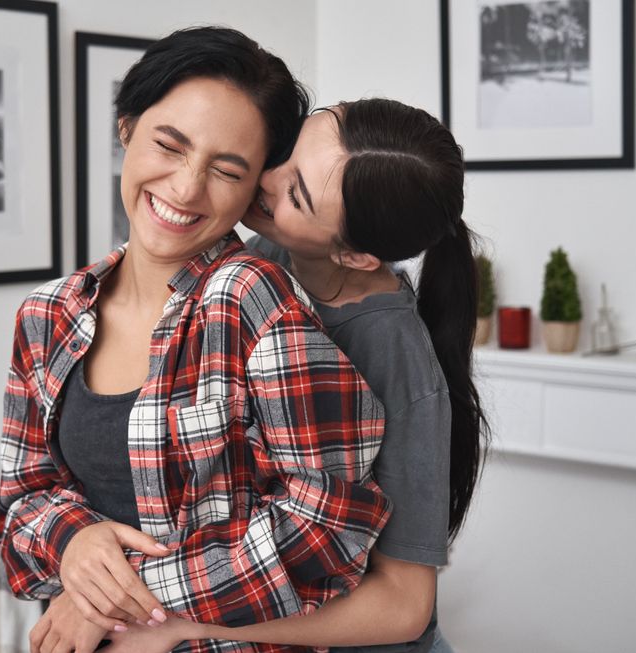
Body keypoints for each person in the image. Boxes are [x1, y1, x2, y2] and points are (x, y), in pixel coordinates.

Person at [0, 27, 394, 653]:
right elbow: (22, 501)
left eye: (226, 171)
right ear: (127, 126)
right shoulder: (47, 314)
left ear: (255, 185)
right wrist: (75, 541)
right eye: (169, 146)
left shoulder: (249, 297)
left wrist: (123, 601)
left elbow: (329, 521)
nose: (185, 189)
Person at [99, 99, 488, 653]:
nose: (267, 175)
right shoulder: (264, 257)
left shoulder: (394, 357)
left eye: (295, 194)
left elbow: (404, 606)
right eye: (290, 151)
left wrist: (182, 623)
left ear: (356, 257)